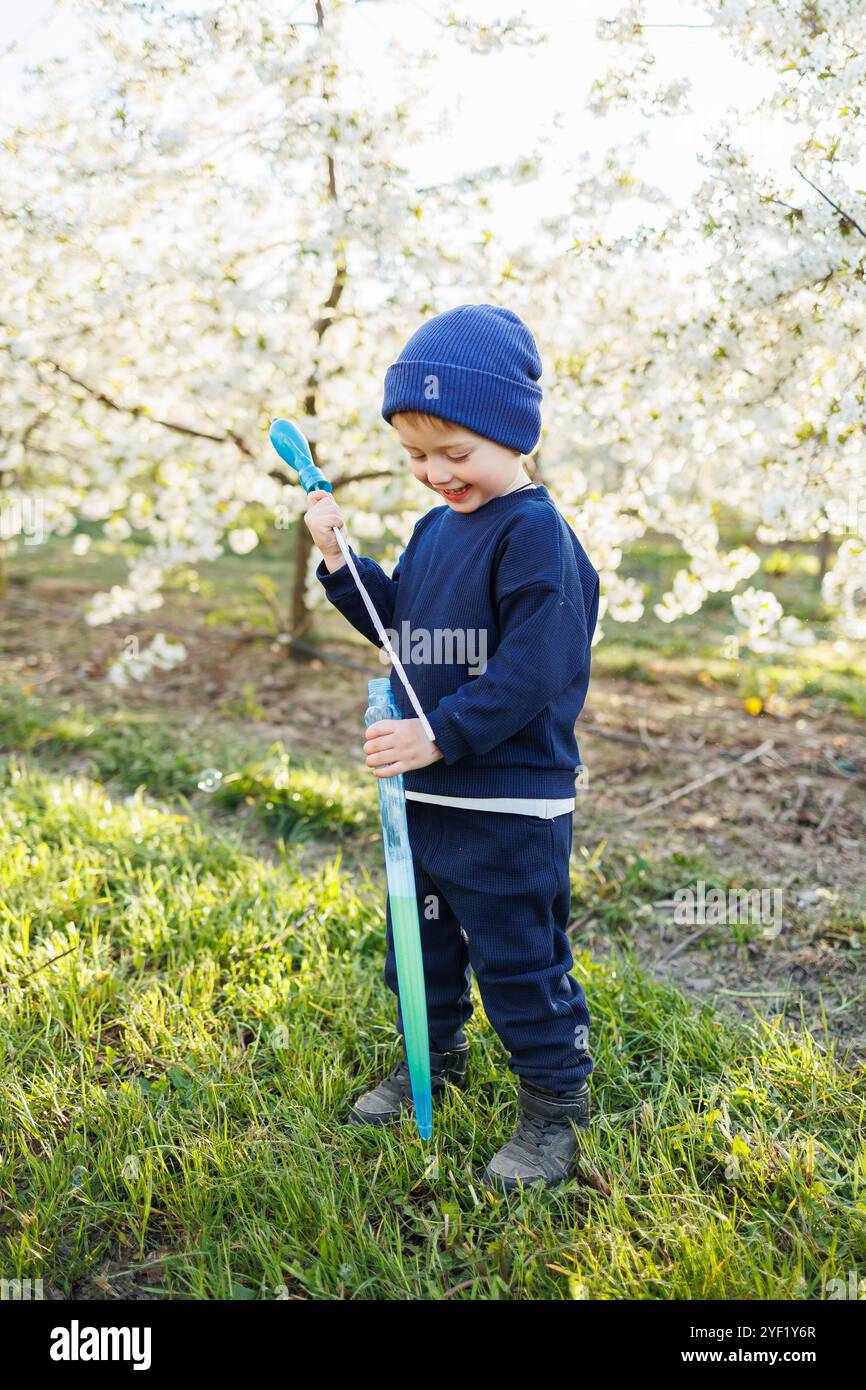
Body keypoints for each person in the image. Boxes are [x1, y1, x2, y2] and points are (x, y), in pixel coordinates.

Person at [304, 303, 600, 1193]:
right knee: (418, 946)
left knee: (517, 955)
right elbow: (400, 629)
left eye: (455, 452)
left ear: (515, 434)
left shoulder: (535, 536)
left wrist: (440, 734)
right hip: (426, 793)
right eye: (416, 457)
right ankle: (434, 1059)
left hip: (506, 798)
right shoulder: (437, 530)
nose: (435, 474)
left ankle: (554, 1106)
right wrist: (339, 561)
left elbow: (535, 670)